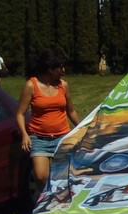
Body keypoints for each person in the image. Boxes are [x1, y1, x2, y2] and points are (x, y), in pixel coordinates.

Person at [16, 48, 80, 193]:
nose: (63, 70)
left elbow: (71, 111)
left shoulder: (63, 85)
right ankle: (46, 200)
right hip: (39, 139)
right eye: (60, 67)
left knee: (65, 178)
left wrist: (82, 127)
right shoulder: (31, 85)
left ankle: (61, 201)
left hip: (62, 137)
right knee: (41, 177)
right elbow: (20, 114)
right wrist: (25, 135)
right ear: (50, 69)